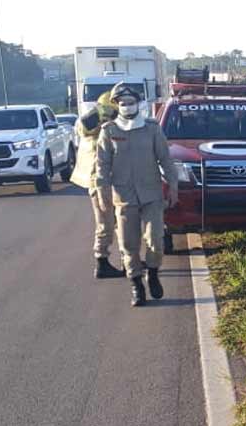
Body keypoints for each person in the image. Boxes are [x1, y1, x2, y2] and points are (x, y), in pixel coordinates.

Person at [97, 83, 180, 307]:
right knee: (128, 244)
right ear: (116, 105)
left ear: (138, 103)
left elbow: (165, 159)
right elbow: (102, 167)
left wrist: (173, 186)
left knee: (155, 239)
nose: (127, 106)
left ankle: (152, 273)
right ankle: (136, 285)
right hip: (124, 197)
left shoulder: (152, 128)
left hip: (151, 194)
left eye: (130, 102)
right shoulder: (109, 131)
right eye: (122, 103)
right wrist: (102, 193)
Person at [70, 90, 124, 279]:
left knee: (119, 221)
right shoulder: (95, 129)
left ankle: (127, 259)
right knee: (106, 223)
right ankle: (101, 261)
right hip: (100, 182)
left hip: (109, 180)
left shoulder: (91, 128)